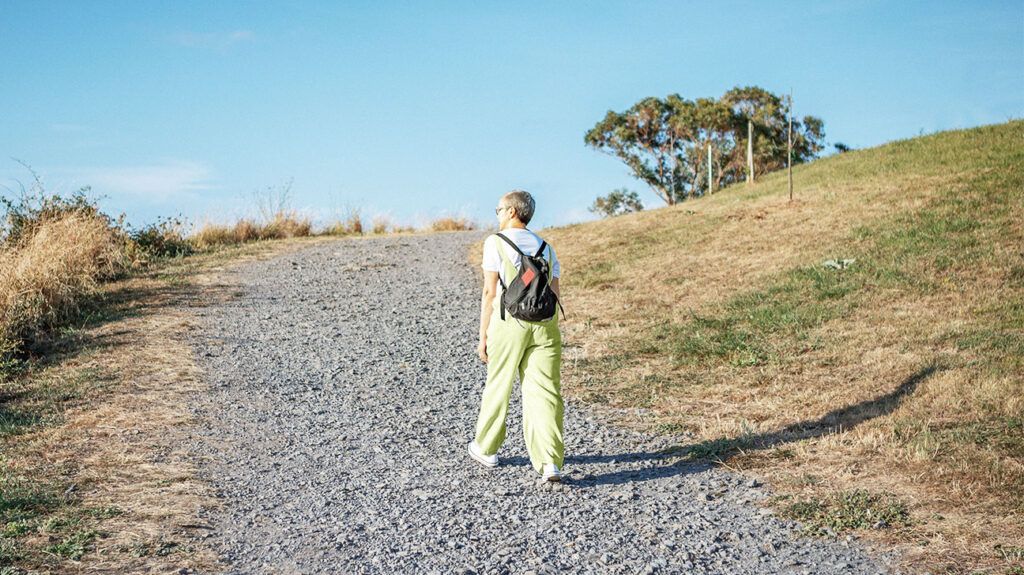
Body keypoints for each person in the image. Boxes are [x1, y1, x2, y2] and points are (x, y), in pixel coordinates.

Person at [468, 189, 565, 482]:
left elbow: (489, 292)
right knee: (546, 391)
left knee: (499, 383)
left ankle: (487, 448)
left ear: (512, 211)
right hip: (545, 325)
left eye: (498, 209)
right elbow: (555, 291)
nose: (496, 214)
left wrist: (483, 335)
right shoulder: (547, 248)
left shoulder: (495, 243)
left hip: (509, 323)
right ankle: (550, 462)